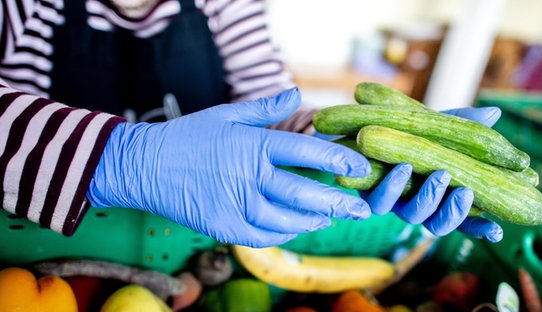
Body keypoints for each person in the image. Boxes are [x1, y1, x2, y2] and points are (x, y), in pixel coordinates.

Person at [0, 0, 503, 248]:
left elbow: (273, 111)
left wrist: (351, 144)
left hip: (192, 244)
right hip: (41, 238)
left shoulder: (225, 4)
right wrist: (121, 159)